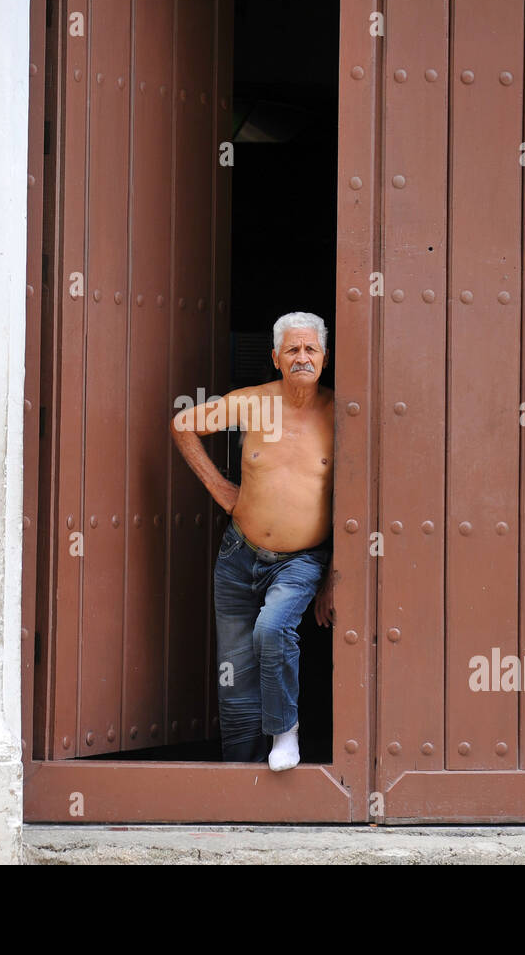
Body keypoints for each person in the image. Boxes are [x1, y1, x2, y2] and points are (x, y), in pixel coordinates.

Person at [169, 311, 335, 771]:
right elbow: (184, 426)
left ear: (324, 357)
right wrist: (222, 489)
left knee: (272, 629)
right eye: (293, 350)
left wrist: (334, 579)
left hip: (300, 561)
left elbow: (358, 501)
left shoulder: (341, 414)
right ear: (276, 359)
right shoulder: (252, 403)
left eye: (311, 349)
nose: (302, 357)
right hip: (238, 557)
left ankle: (285, 728)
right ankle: (239, 783)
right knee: (235, 680)